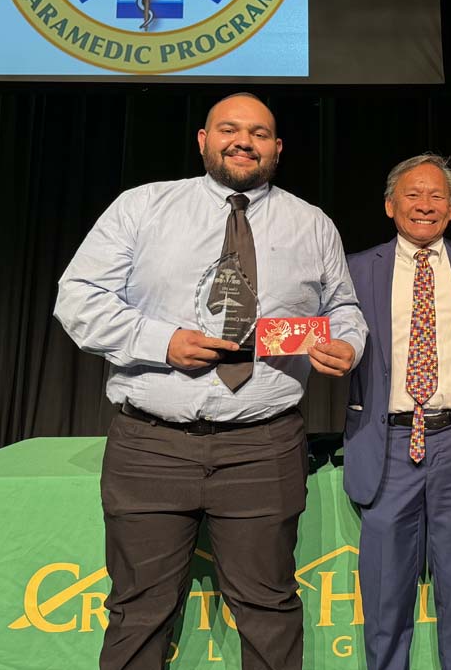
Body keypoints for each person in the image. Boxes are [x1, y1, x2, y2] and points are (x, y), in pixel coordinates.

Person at [54, 93, 368, 670]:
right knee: (137, 612)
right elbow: (77, 299)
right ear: (203, 139)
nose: (243, 141)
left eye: (259, 133)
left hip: (264, 446)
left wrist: (348, 341)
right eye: (229, 129)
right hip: (150, 446)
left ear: (277, 148)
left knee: (269, 610)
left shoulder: (311, 223)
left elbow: (343, 307)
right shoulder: (142, 207)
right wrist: (161, 342)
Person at [344, 154, 451, 670]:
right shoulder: (357, 269)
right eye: (413, 195)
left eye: (437, 196)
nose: (425, 205)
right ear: (390, 205)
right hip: (388, 442)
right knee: (385, 596)